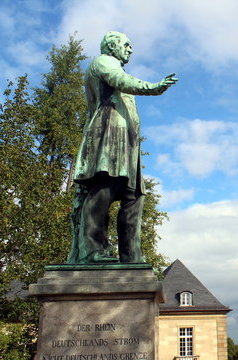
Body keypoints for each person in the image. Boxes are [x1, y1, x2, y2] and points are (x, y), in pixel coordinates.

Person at [67, 31, 177, 264]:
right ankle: (92, 249)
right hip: (108, 135)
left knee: (135, 195)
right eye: (126, 45)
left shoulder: (115, 66)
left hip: (126, 142)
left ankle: (131, 255)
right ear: (111, 46)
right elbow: (121, 81)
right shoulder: (104, 62)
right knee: (105, 187)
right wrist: (153, 87)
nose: (130, 49)